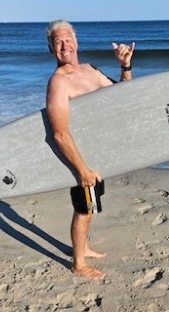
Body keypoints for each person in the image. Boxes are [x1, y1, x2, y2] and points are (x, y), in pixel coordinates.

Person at [45, 19, 135, 280]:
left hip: (97, 150)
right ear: (52, 48)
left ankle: (82, 246)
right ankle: (78, 263)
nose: (65, 45)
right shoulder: (58, 83)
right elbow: (60, 132)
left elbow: (122, 95)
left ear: (76, 42)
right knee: (84, 208)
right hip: (78, 154)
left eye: (68, 39)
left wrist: (125, 66)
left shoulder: (90, 70)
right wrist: (81, 169)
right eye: (58, 42)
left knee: (93, 202)